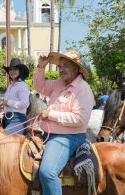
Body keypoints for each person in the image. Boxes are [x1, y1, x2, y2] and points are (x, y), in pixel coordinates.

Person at [33, 50, 94, 195]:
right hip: (50, 134)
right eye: (60, 66)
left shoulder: (83, 89)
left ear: (76, 67)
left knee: (48, 172)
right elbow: (39, 87)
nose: (61, 69)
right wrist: (41, 68)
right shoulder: (59, 83)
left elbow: (80, 119)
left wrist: (51, 114)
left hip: (68, 137)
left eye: (65, 65)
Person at [2, 58, 30, 135]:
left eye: (15, 69)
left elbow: (25, 104)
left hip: (18, 120)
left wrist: (8, 102)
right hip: (6, 119)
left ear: (20, 71)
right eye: (10, 69)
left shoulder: (23, 85)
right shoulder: (10, 86)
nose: (12, 71)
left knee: (3, 139)